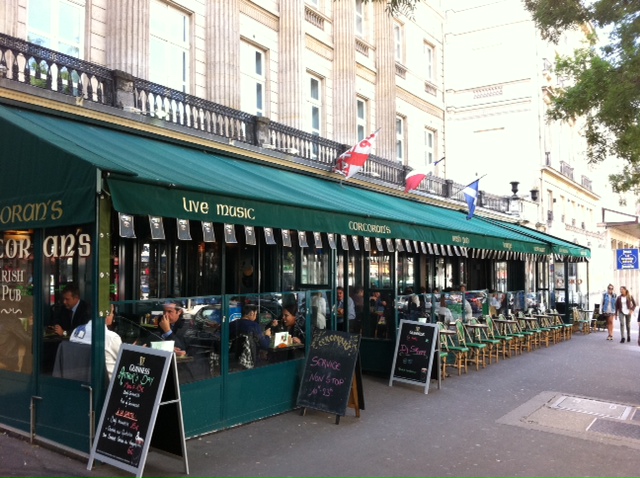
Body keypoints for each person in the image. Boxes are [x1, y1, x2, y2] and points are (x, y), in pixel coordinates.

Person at [69, 304, 122, 380]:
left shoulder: (75, 332)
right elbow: (124, 361)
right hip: (106, 385)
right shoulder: (112, 337)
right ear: (106, 315)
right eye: (112, 312)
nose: (113, 315)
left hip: (79, 381)